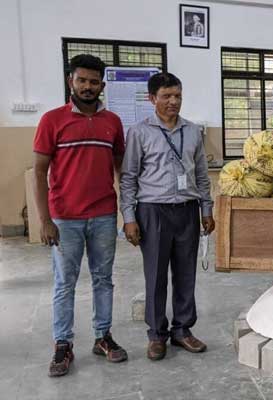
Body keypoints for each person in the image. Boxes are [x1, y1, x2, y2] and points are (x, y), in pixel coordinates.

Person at [33, 54, 128, 377]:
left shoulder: (112, 122)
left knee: (103, 279)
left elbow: (120, 167)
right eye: (82, 80)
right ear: (70, 81)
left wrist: (127, 209)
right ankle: (63, 343)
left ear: (102, 84)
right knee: (65, 282)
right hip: (65, 218)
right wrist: (45, 219)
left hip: (103, 215)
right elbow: (39, 172)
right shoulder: (52, 120)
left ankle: (103, 336)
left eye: (94, 82)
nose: (88, 87)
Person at [120, 72, 215, 361]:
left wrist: (206, 209)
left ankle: (182, 330)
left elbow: (201, 174)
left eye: (177, 96)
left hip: (186, 210)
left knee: (186, 274)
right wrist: (129, 217)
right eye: (166, 96)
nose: (173, 102)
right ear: (152, 99)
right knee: (156, 275)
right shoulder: (139, 132)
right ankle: (157, 335)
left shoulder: (193, 131)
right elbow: (128, 178)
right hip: (152, 211)